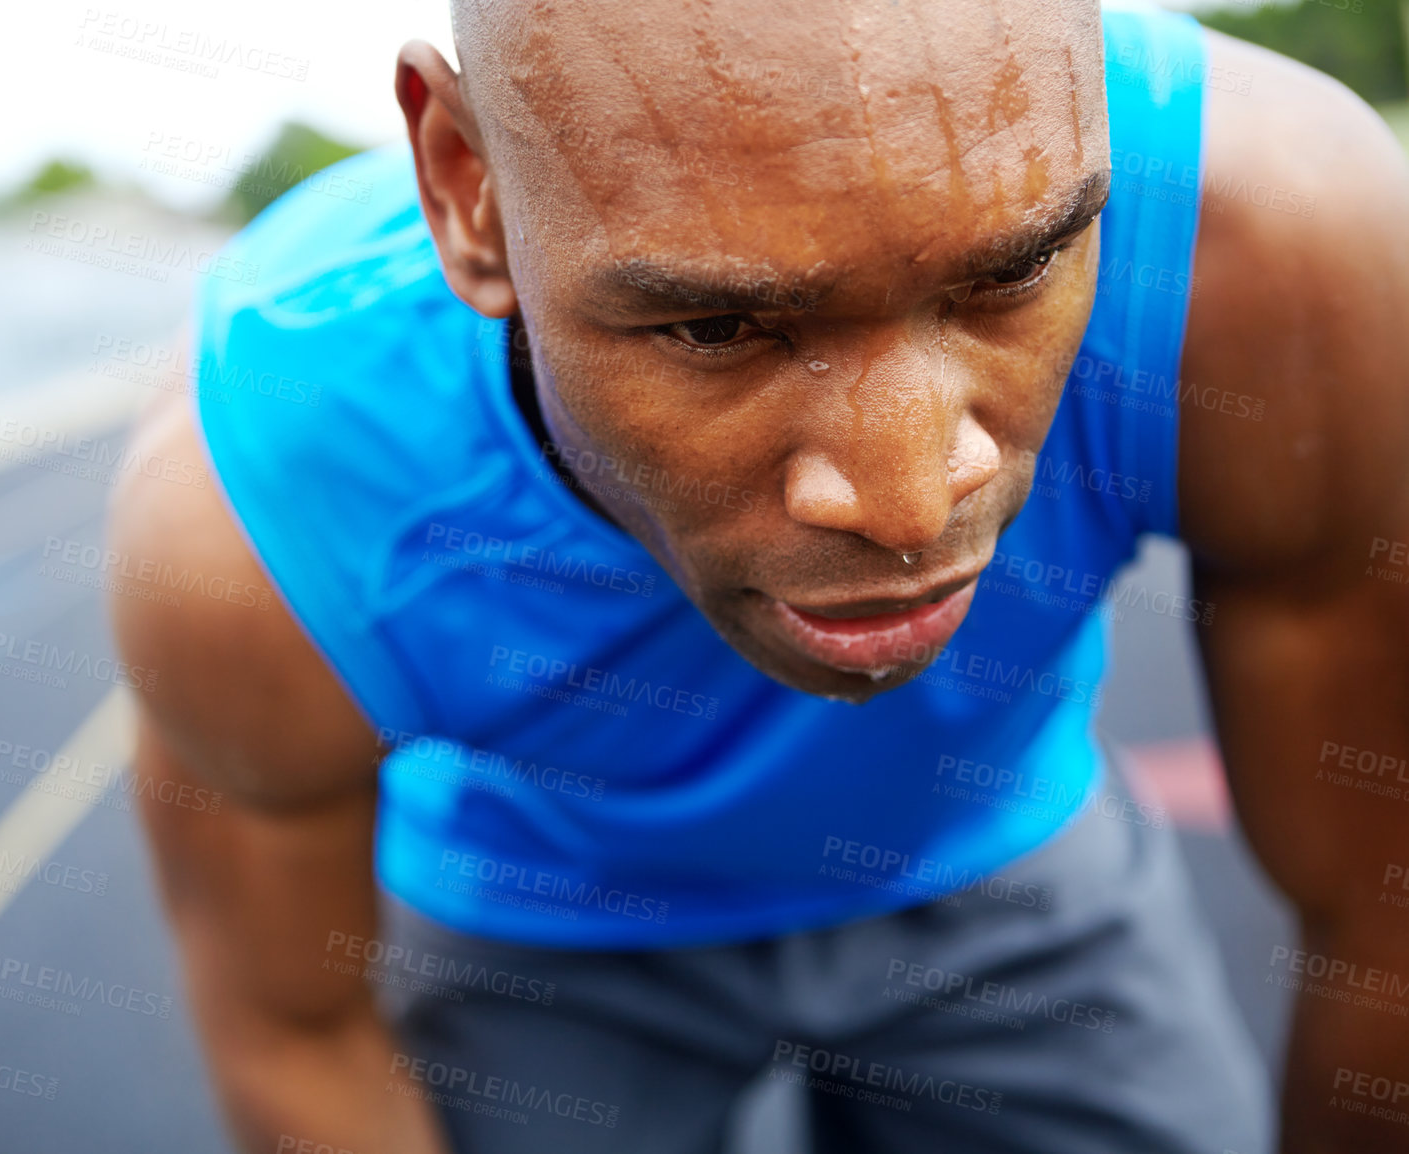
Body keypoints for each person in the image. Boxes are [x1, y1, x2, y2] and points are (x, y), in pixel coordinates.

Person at [107, 1, 1409, 1150]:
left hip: (997, 836)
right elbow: (290, 1032)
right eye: (716, 325)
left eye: (1013, 269)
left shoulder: (1268, 245)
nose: (906, 505)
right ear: (467, 189)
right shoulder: (268, 496)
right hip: (545, 910)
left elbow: (1382, 907)